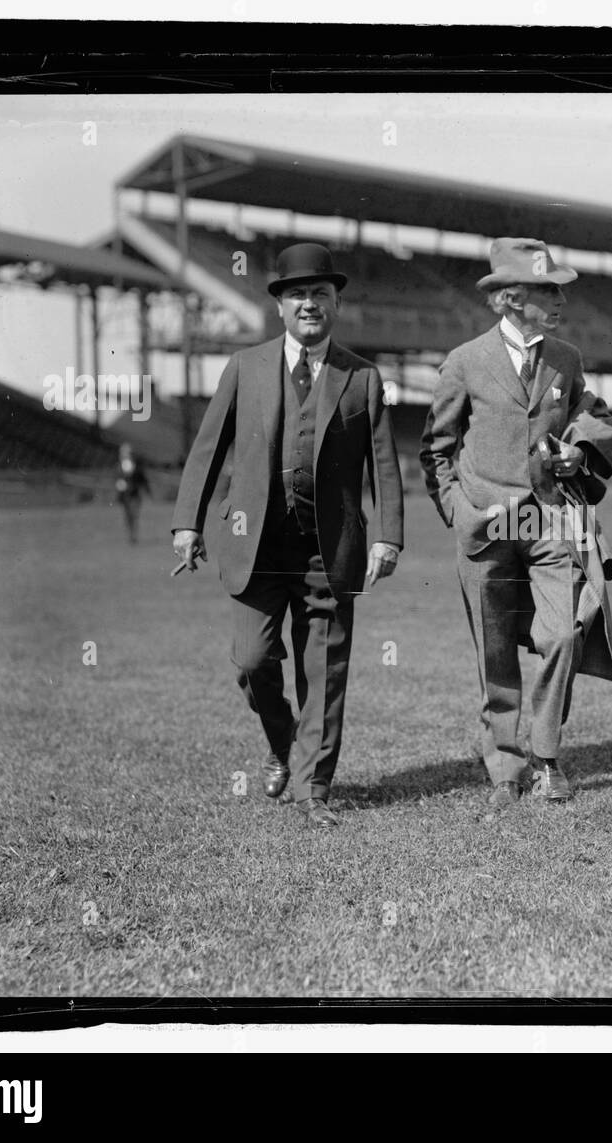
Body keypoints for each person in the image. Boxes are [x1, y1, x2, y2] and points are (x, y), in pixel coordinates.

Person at [171, 243, 404, 828]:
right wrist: (186, 522)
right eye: (298, 294)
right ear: (279, 305)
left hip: (332, 549)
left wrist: (389, 537)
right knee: (252, 660)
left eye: (320, 294)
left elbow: (385, 463)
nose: (309, 304)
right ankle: (282, 742)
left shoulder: (363, 378)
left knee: (324, 672)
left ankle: (312, 792)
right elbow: (208, 449)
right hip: (257, 545)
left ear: (336, 304)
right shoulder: (244, 367)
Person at [420, 238, 612, 812]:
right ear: (511, 298)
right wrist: (461, 514)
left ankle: (547, 757)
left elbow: (594, 417)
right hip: (484, 529)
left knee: (563, 634)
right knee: (495, 654)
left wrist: (580, 453)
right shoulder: (464, 361)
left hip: (549, 522)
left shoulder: (567, 358)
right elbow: (435, 450)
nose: (561, 299)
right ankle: (507, 768)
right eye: (547, 290)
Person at [114, 443, 151, 543]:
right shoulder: (119, 466)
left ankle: (134, 535)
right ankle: (130, 534)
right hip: (124, 495)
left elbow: (143, 480)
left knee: (134, 514)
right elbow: (117, 479)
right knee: (128, 516)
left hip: (135, 494)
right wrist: (119, 486)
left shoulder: (137, 467)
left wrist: (148, 491)